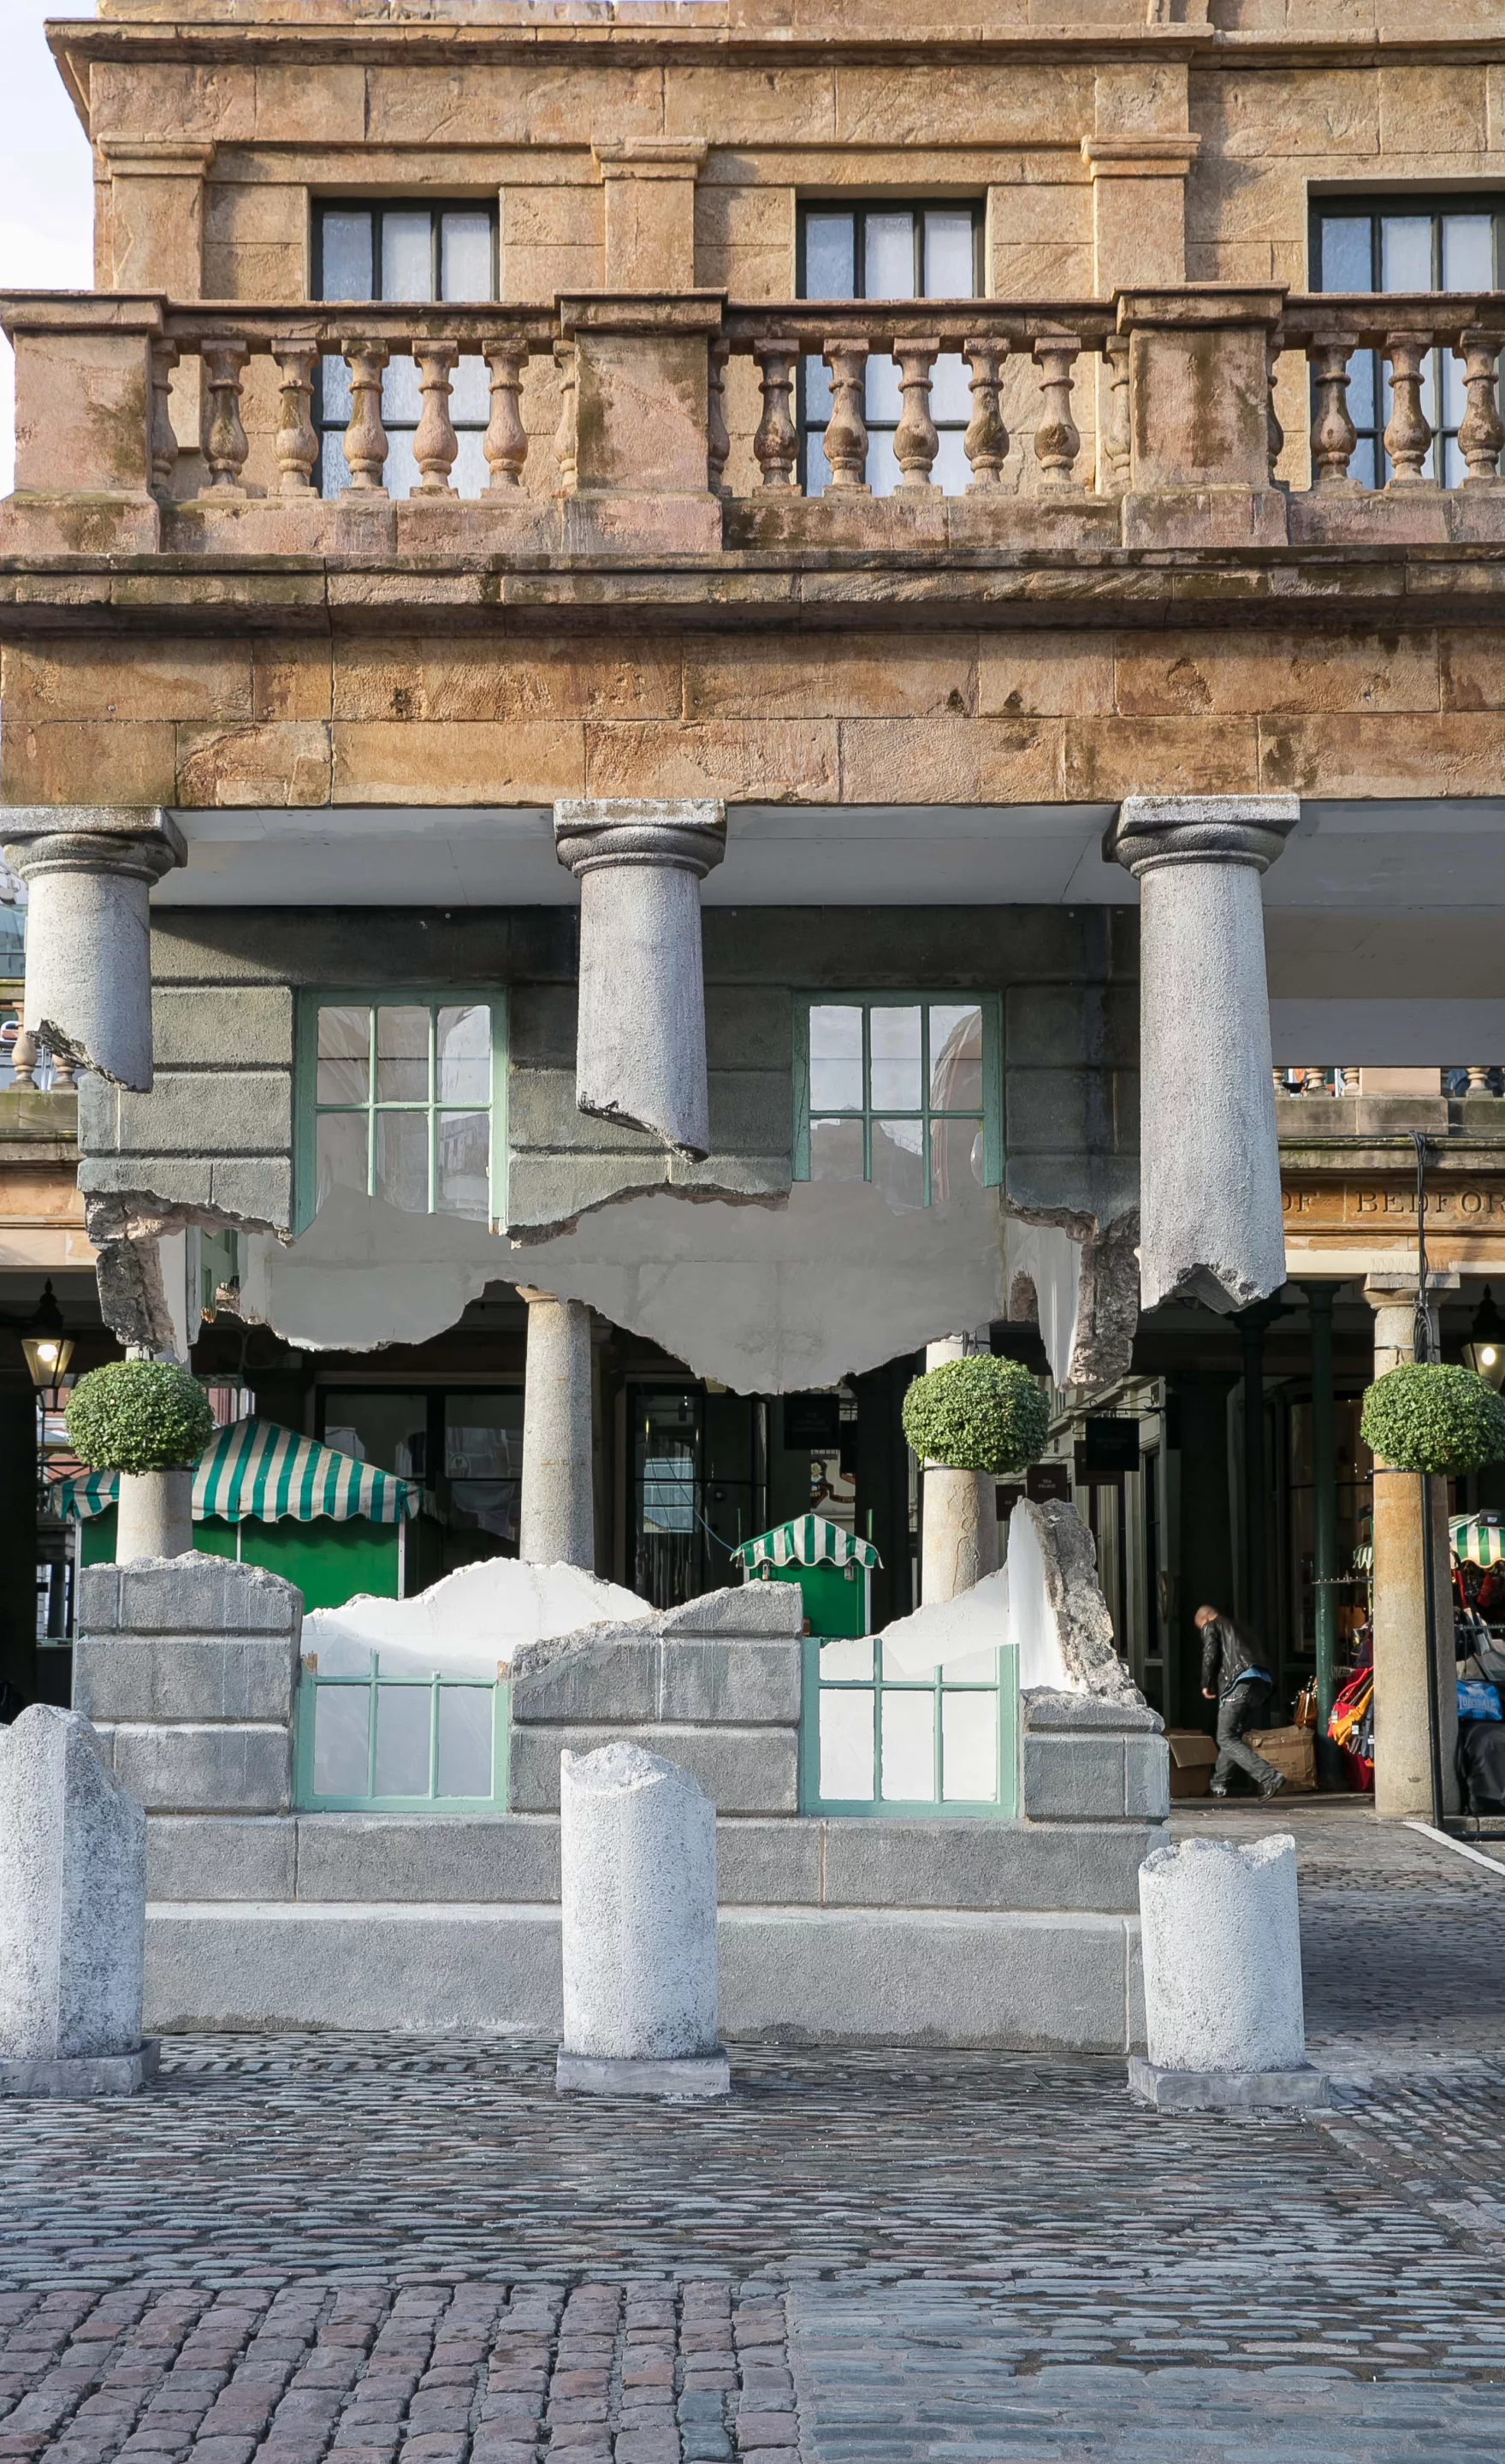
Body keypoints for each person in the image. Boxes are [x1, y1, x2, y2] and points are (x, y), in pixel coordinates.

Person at [1195, 1603, 1285, 1798]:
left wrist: (1206, 1683)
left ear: (1205, 1619)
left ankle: (1270, 1776)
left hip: (1238, 1681)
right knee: (1232, 1736)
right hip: (1259, 1684)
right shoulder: (1240, 1627)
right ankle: (1218, 1784)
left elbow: (1210, 1653)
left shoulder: (1213, 1625)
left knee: (1225, 1737)